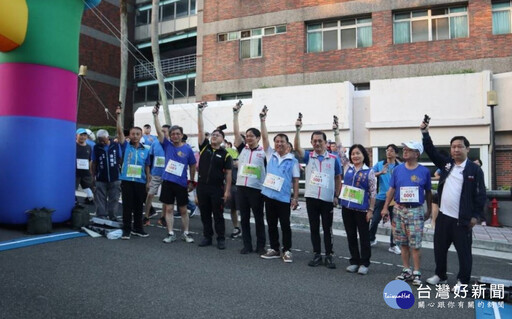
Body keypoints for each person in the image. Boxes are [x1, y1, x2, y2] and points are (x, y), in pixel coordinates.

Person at [421, 119, 486, 291]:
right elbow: (431, 151)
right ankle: (440, 275)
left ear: (467, 149)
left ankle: (463, 281)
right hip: (443, 216)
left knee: (464, 253)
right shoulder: (447, 164)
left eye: (460, 146)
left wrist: (476, 216)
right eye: (453, 147)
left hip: (462, 219)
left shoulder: (474, 170)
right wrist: (425, 133)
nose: (456, 149)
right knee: (439, 248)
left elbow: (481, 195)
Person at [381, 141, 432, 286]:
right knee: (402, 242)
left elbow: (428, 192)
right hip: (398, 209)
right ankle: (406, 269)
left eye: (409, 149)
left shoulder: (424, 171)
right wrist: (385, 207)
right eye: (404, 149)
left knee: (415, 244)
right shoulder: (397, 170)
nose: (405, 151)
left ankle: (417, 272)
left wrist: (428, 210)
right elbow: (391, 189)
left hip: (415, 210)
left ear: (417, 154)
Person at [294, 116, 342, 269]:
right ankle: (316, 254)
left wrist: (336, 196)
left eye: (320, 141)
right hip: (311, 197)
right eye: (314, 141)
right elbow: (296, 147)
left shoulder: (334, 159)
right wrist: (298, 129)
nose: (317, 143)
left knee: (327, 229)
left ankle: (329, 255)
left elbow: (337, 178)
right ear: (311, 143)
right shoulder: (309, 156)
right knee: (314, 228)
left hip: (327, 199)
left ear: (326, 143)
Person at [259, 107, 300, 263]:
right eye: (276, 141)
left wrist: (295, 198)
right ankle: (275, 248)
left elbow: (296, 180)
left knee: (285, 225)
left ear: (287, 144)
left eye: (282, 141)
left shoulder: (293, 160)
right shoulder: (270, 154)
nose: (279, 144)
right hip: (269, 196)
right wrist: (263, 120)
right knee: (271, 224)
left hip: (283, 198)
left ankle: (287, 250)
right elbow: (264, 137)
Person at [152, 106, 197, 244]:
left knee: (183, 210)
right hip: (167, 182)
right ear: (170, 136)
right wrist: (155, 116)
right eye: (173, 134)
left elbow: (192, 165)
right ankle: (170, 233)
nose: (175, 136)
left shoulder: (188, 149)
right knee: (169, 208)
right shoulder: (167, 145)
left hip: (181, 183)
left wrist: (191, 181)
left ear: (182, 135)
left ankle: (185, 233)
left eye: (178, 133)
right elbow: (159, 131)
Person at [196, 102, 233, 250]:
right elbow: (200, 129)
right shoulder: (204, 147)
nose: (214, 136)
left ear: (222, 139)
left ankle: (221, 238)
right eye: (213, 135)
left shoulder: (225, 154)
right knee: (205, 214)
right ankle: (207, 236)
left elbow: (229, 174)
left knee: (218, 215)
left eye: (217, 135)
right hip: (202, 187)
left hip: (217, 189)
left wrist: (227, 191)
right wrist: (200, 112)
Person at [232, 102, 267, 255]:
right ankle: (247, 245)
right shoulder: (242, 149)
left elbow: (265, 138)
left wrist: (262, 120)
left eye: (251, 136)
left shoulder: (264, 151)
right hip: (241, 188)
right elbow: (235, 134)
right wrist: (235, 114)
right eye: (247, 136)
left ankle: (260, 246)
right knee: (244, 218)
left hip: (257, 189)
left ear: (258, 138)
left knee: (259, 219)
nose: (248, 138)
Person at [339, 144, 376, 275]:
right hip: (347, 208)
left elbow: (372, 192)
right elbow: (340, 151)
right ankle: (354, 261)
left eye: (358, 153)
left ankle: (365, 263)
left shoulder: (369, 171)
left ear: (363, 155)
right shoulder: (347, 167)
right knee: (351, 236)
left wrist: (371, 210)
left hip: (362, 210)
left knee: (364, 237)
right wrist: (337, 131)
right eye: (353, 154)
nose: (355, 156)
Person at [116, 105, 151, 240]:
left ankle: (138, 228)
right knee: (127, 207)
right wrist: (119, 116)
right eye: (133, 134)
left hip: (140, 182)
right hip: (127, 180)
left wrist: (148, 181)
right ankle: (126, 230)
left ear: (141, 135)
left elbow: (147, 166)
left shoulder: (146, 149)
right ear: (129, 135)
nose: (135, 136)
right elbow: (119, 133)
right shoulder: (125, 146)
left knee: (138, 206)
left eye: (138, 134)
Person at [369, 144, 401, 255]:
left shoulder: (400, 166)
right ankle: (371, 239)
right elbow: (370, 175)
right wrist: (380, 173)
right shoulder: (380, 164)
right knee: (375, 220)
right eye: (387, 150)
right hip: (381, 197)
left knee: (394, 223)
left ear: (396, 154)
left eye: (391, 150)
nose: (388, 152)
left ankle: (393, 245)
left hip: (395, 199)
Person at [142, 124, 170, 226]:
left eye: (164, 131)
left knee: (165, 197)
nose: (161, 133)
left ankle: (162, 217)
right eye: (161, 131)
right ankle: (146, 216)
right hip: (156, 174)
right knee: (150, 194)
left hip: (167, 175)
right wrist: (148, 174)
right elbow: (150, 159)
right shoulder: (154, 143)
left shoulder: (171, 144)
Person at [91, 129, 122, 220]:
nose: (101, 142)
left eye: (103, 140)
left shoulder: (116, 145)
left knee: (114, 198)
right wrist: (93, 175)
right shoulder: (96, 147)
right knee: (100, 198)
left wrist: (118, 169)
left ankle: (112, 216)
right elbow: (94, 162)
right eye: (99, 140)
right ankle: (101, 216)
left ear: (108, 138)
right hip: (101, 177)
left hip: (115, 177)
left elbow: (120, 158)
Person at [224, 140, 242, 239]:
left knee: (243, 209)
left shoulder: (247, 153)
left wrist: (240, 165)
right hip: (231, 185)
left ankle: (245, 228)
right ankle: (236, 228)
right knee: (233, 208)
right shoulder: (230, 152)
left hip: (242, 186)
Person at [76, 128, 94, 204]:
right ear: (76, 136)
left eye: (84, 135)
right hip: (74, 172)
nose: (83, 137)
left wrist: (91, 171)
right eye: (81, 135)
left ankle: (90, 199)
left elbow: (91, 159)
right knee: (72, 188)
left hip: (86, 172)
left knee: (87, 186)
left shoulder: (89, 147)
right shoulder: (72, 145)